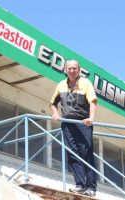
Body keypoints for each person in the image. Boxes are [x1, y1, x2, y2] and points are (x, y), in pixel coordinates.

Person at [50, 60, 97, 197]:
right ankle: (80, 185)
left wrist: (91, 118)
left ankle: (91, 187)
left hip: (83, 123)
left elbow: (93, 102)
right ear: (65, 70)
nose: (72, 71)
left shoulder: (85, 83)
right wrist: (55, 113)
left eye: (74, 68)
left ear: (79, 70)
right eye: (69, 68)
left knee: (86, 153)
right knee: (72, 153)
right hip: (67, 124)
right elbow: (53, 103)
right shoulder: (60, 85)